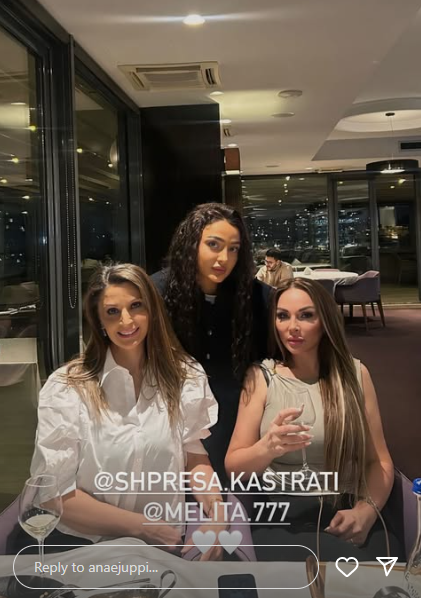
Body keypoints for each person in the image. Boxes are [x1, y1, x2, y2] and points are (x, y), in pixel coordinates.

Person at [12, 264, 226, 559]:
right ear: (99, 321)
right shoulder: (67, 387)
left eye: (136, 306)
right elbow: (54, 495)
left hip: (164, 550)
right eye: (112, 311)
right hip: (86, 549)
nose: (126, 320)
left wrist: (218, 513)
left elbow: (194, 457)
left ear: (152, 310)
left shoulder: (185, 376)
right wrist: (144, 527)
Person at [225, 277, 402, 562]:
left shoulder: (356, 375)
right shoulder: (261, 377)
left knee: (380, 577)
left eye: (306, 316)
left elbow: (378, 461)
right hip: (284, 512)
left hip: (349, 505)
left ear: (325, 321)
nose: (292, 327)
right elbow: (234, 467)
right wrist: (266, 448)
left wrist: (366, 511)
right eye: (283, 316)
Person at [151, 203, 272, 481]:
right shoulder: (157, 292)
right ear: (191, 244)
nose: (224, 258)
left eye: (233, 249)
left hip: (238, 416)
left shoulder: (257, 297)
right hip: (172, 414)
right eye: (213, 245)